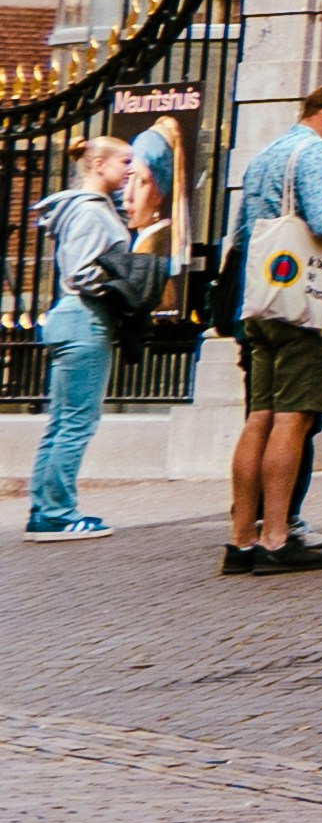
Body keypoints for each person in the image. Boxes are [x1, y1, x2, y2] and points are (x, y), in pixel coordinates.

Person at [219, 81, 322, 575]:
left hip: (262, 298)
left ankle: (240, 541)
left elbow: (243, 233)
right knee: (293, 419)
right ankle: (275, 538)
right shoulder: (315, 152)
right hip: (305, 304)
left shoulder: (267, 153)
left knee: (259, 417)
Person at [29, 134, 149, 539]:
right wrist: (124, 287)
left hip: (72, 319)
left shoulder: (89, 208)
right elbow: (81, 273)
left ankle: (45, 511)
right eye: (124, 161)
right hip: (85, 320)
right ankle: (58, 514)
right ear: (99, 165)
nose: (130, 169)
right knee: (77, 423)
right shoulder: (90, 211)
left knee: (62, 422)